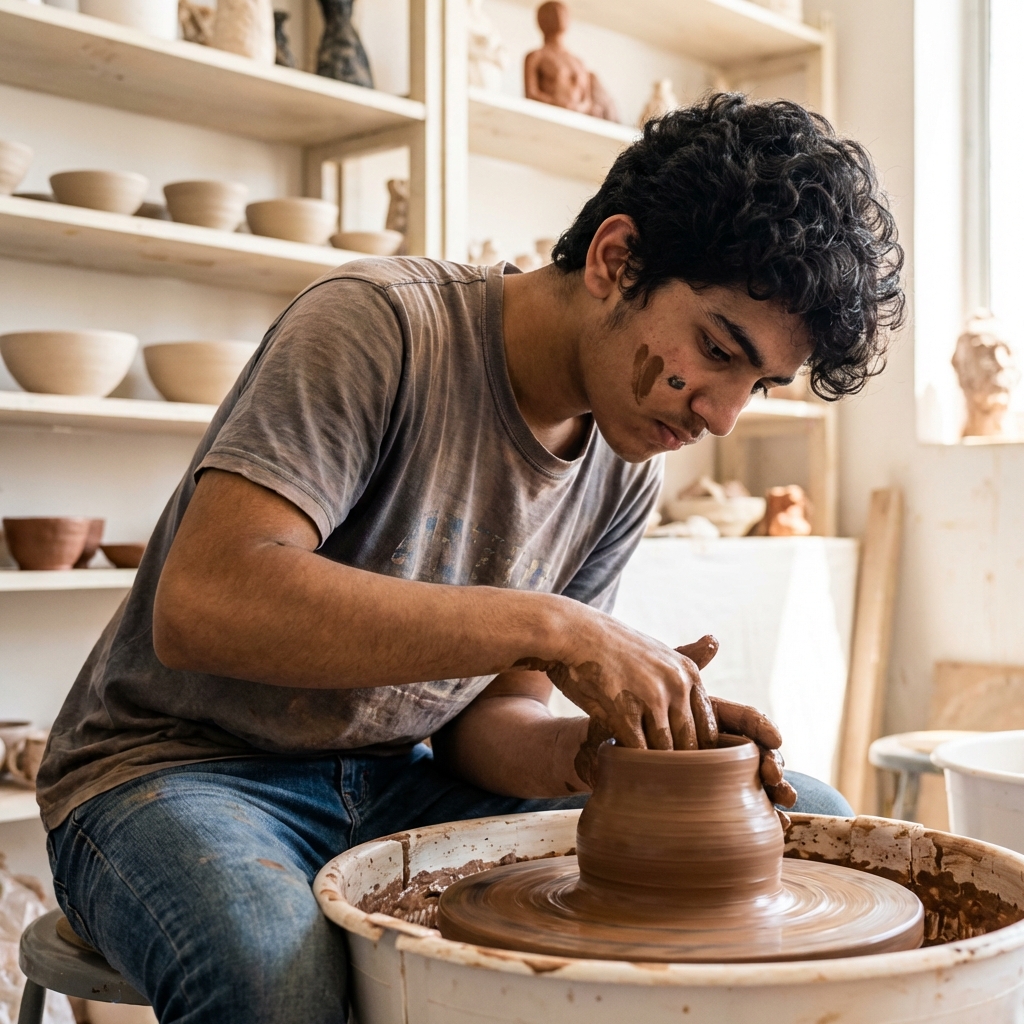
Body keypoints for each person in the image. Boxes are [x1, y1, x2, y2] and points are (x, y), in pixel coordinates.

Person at [37, 94, 904, 1023]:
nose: (723, 415)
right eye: (718, 350)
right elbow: (204, 603)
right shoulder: (380, 328)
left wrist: (596, 752)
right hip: (176, 770)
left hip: (397, 776)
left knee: (808, 818)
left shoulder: (623, 463)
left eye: (759, 383)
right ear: (617, 260)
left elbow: (487, 724)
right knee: (276, 979)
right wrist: (556, 627)